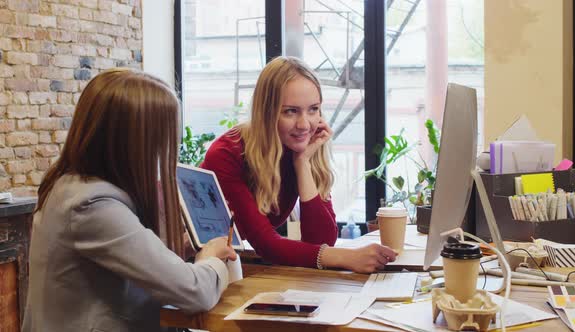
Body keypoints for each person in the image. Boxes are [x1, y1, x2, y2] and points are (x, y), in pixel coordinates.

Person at [22, 68, 237, 332]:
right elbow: (195, 293)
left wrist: (175, 252)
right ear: (137, 141)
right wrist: (212, 259)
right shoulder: (92, 206)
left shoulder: (71, 187)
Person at [201, 56, 397, 273]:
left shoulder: (298, 149)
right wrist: (347, 257)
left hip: (221, 262)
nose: (304, 124)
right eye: (290, 111)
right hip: (190, 260)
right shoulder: (227, 153)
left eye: (313, 109)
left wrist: (303, 162)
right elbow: (266, 244)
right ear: (266, 113)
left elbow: (321, 240)